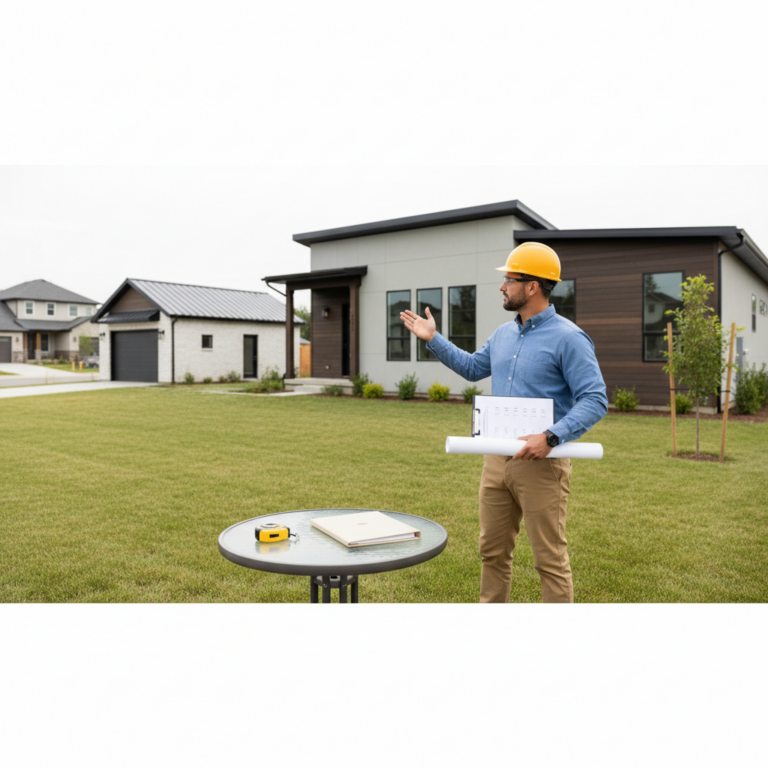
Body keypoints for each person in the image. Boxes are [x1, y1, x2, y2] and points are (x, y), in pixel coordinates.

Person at [400, 242, 607, 603]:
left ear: (532, 286)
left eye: (509, 280)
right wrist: (433, 339)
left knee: (549, 561)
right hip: (496, 462)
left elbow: (595, 399)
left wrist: (551, 437)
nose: (502, 286)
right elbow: (471, 368)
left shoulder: (569, 338)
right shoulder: (503, 334)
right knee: (492, 552)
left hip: (542, 464)